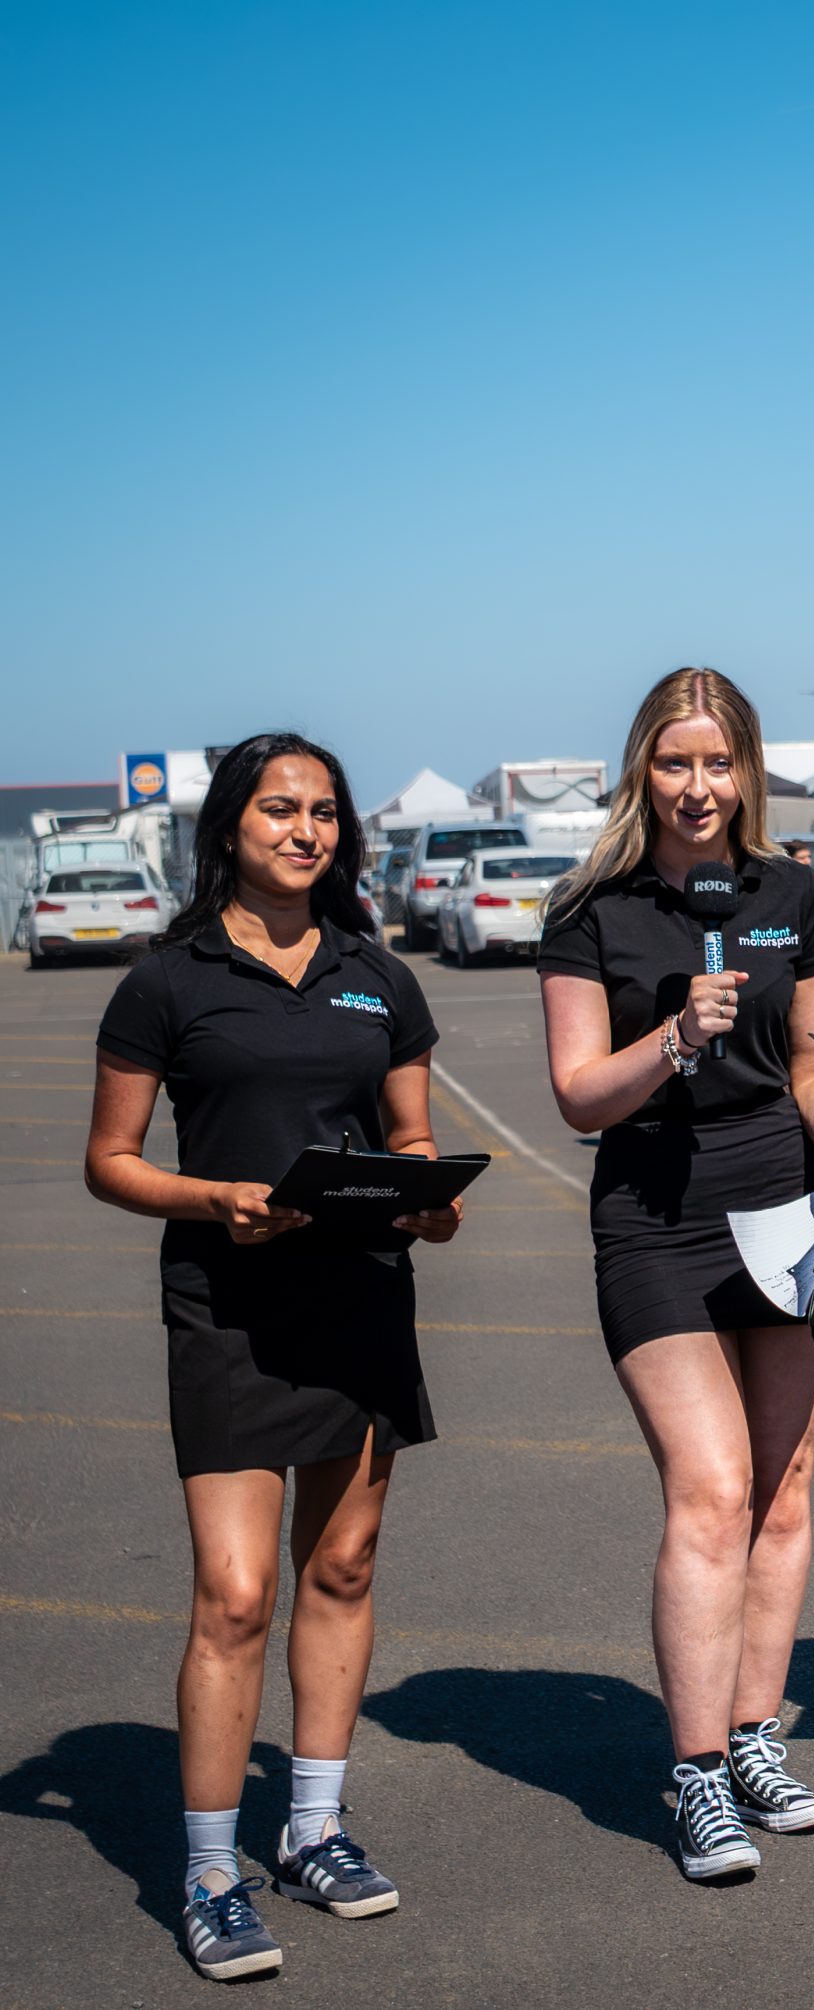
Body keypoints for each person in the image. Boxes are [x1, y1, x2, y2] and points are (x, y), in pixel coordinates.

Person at [84, 732, 464, 1980]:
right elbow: (111, 1161)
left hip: (361, 1299)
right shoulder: (166, 980)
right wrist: (216, 1200)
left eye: (325, 813)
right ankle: (208, 1870)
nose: (306, 831)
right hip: (229, 1306)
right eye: (281, 809)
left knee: (341, 1569)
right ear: (230, 829)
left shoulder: (376, 974)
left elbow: (411, 1138)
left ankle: (312, 1829)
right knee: (236, 1594)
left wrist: (428, 1199)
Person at [537, 667, 814, 1883]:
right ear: (644, 767)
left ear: (748, 772)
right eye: (676, 762)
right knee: (711, 1488)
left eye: (719, 763)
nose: (698, 787)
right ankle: (694, 1777)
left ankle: (753, 1742)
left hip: (785, 1204)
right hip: (654, 1216)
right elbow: (578, 1095)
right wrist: (676, 1036)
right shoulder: (591, 909)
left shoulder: (799, 896)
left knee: (781, 1492)